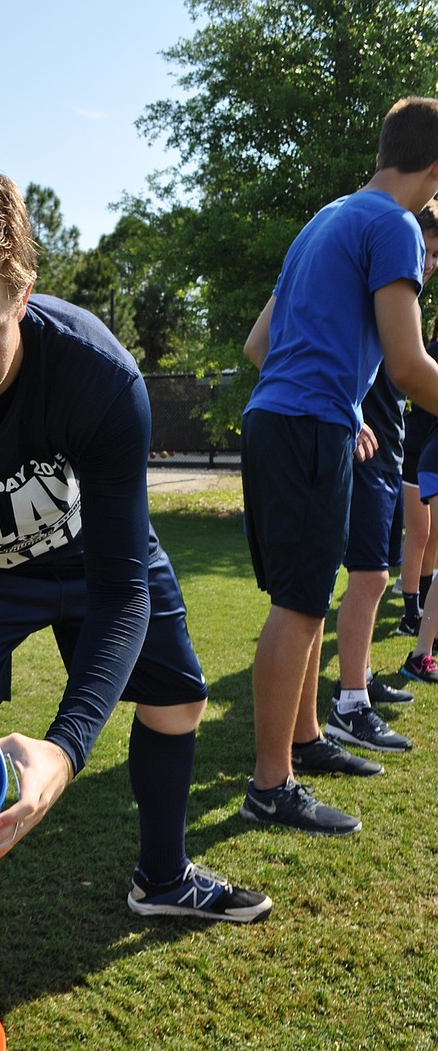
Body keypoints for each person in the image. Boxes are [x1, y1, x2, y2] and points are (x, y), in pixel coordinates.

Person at [0, 160, 272, 993]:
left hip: (89, 556)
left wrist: (66, 752)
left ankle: (164, 878)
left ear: (23, 292)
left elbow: (120, 588)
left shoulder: (99, 378)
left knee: (178, 699)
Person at [239, 96, 438, 837]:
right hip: (305, 428)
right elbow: (412, 368)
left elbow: (262, 344)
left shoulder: (331, 215)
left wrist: (345, 406)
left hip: (282, 419)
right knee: (297, 605)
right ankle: (270, 787)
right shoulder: (394, 226)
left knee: (306, 595)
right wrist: (336, 403)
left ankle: (304, 742)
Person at [321, 205, 438, 755]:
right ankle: (349, 705)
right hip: (367, 455)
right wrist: (354, 414)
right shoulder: (379, 277)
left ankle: (360, 677)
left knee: (374, 577)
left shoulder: (402, 293)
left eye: (437, 256)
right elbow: (403, 369)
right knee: (367, 579)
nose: (430, 263)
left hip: (391, 453)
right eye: (429, 250)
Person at [396, 311, 438, 637]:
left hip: (426, 453)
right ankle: (411, 614)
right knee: (420, 533)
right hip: (415, 451)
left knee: (429, 535)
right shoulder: (431, 353)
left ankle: (422, 604)